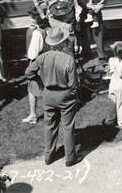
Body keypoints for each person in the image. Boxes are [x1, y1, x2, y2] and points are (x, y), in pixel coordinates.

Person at [25, 26, 81, 167]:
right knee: (68, 126)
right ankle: (70, 158)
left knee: (49, 125)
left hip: (48, 95)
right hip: (65, 95)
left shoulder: (42, 57)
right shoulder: (68, 59)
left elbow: (28, 73)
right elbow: (73, 84)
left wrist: (41, 83)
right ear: (63, 42)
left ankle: (48, 156)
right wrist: (73, 96)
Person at [22, 8, 51, 124]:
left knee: (32, 88)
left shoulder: (37, 33)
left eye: (32, 17)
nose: (31, 19)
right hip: (49, 61)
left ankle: (33, 114)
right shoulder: (49, 29)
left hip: (38, 62)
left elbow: (32, 54)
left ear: (37, 19)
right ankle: (51, 112)